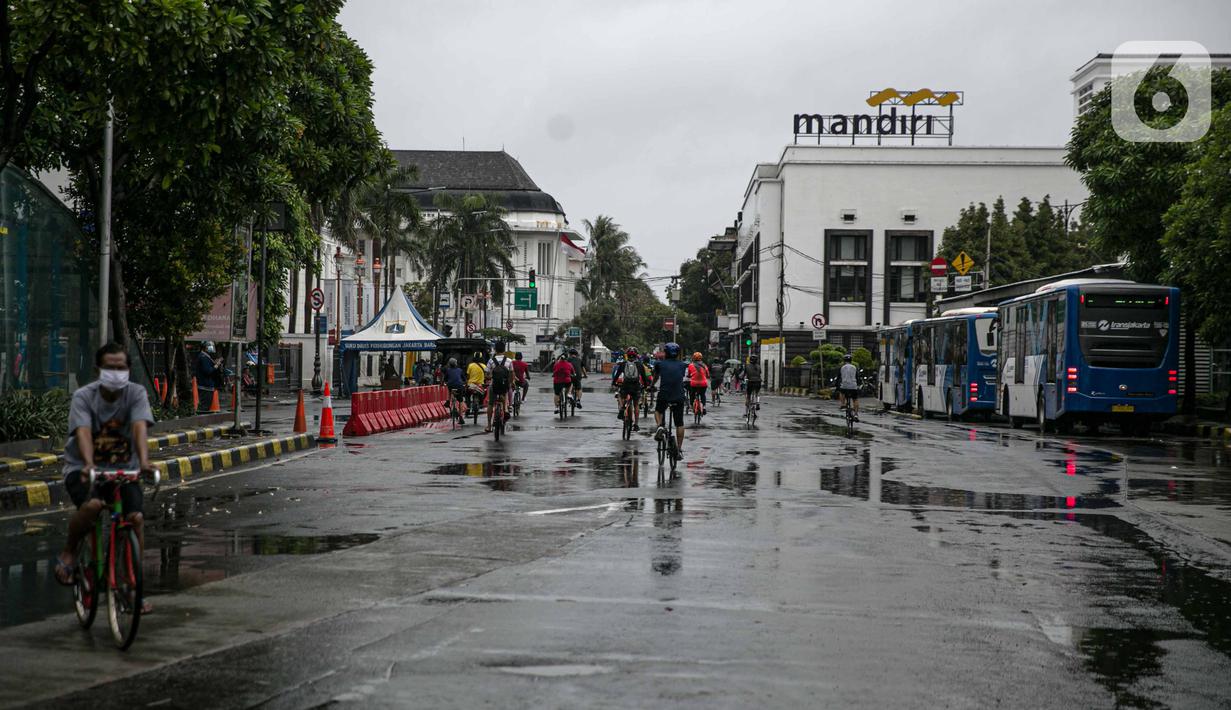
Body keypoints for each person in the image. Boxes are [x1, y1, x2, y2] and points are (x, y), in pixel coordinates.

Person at [55, 343, 155, 614]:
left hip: (124, 470)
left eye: (120, 368)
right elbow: (83, 432)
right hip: (83, 468)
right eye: (110, 367)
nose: (115, 372)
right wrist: (89, 463)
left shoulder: (136, 394)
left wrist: (144, 462)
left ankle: (132, 586)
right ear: (98, 369)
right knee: (93, 506)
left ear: (128, 369)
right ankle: (70, 551)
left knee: (135, 518)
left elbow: (139, 427)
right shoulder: (84, 397)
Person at [651, 342, 690, 454]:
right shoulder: (683, 365)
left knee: (658, 411)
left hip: (664, 394)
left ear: (666, 353)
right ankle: (679, 449)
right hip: (678, 396)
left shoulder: (659, 364)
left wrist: (651, 385)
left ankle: (659, 426)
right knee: (679, 423)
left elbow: (656, 377)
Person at [611, 347, 649, 430]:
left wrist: (614, 383)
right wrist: (645, 386)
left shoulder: (623, 364)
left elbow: (617, 375)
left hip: (626, 386)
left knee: (620, 395)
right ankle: (636, 424)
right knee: (636, 404)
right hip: (636, 387)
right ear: (636, 355)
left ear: (627, 355)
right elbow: (644, 377)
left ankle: (622, 408)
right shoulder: (640, 365)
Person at [486, 342, 514, 432]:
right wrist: (510, 383)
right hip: (504, 385)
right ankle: (505, 409)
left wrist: (490, 377)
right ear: (504, 350)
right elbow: (511, 374)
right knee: (506, 392)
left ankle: (489, 426)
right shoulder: (509, 360)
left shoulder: (491, 361)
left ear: (495, 350)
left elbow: (487, 374)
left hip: (493, 385)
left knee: (490, 404)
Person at [837, 353, 860, 420]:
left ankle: (843, 404)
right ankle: (856, 414)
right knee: (855, 399)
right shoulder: (854, 367)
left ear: (844, 361)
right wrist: (858, 384)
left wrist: (837, 386)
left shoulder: (842, 367)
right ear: (851, 360)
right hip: (853, 386)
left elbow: (839, 377)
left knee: (841, 392)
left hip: (844, 386)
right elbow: (857, 377)